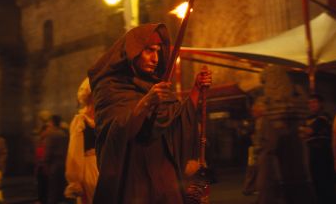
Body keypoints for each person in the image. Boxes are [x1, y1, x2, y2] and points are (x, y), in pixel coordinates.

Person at [88, 23, 212, 204]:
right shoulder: (110, 87)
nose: (155, 58)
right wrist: (146, 102)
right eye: (148, 51)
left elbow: (175, 121)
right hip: (134, 176)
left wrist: (196, 89)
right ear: (133, 52)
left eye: (157, 51)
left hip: (164, 175)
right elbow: (115, 132)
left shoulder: (154, 84)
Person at [65, 78, 98, 204]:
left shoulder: (104, 118)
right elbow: (75, 152)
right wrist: (75, 181)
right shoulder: (80, 121)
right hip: (89, 168)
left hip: (105, 166)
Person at [301, 94, 335, 204]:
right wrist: (304, 131)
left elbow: (308, 131)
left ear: (321, 104)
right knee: (316, 181)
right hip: (312, 152)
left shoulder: (324, 117)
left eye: (314, 102)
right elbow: (302, 134)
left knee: (325, 181)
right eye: (310, 102)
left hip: (323, 153)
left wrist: (304, 130)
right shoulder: (308, 118)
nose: (312, 104)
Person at [44, 115, 69, 204]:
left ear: (53, 123)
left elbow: (48, 151)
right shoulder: (65, 134)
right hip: (65, 163)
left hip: (54, 164)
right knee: (63, 188)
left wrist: (45, 163)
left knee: (53, 189)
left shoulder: (52, 135)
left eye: (50, 122)